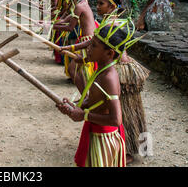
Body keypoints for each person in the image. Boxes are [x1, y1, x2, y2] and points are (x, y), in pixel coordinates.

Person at [61, 0, 150, 163]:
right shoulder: (105, 25)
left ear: (112, 6)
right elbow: (92, 43)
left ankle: (131, 148)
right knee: (112, 106)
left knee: (126, 112)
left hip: (123, 70)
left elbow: (98, 46)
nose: (98, 6)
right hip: (112, 67)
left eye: (101, 3)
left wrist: (83, 113)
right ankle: (132, 147)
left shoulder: (111, 25)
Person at [56, 16, 138, 167]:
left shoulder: (108, 78)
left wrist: (84, 115)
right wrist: (74, 107)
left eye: (93, 46)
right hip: (96, 133)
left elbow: (116, 119)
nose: (88, 48)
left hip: (104, 139)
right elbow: (95, 100)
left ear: (109, 54)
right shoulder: (101, 70)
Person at [53, 0, 98, 81]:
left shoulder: (79, 5)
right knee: (74, 69)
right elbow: (67, 19)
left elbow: (70, 27)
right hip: (86, 38)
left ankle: (87, 95)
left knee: (73, 70)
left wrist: (53, 27)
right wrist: (53, 24)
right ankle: (86, 94)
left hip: (87, 39)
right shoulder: (82, 2)